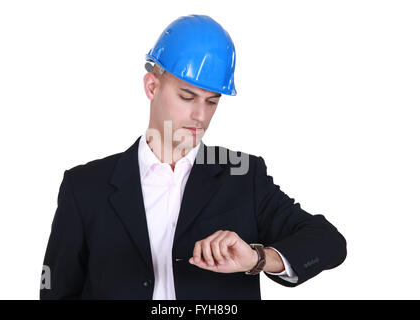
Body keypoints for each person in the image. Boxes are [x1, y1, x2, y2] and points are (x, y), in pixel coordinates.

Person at [40, 14, 346, 300]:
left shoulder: (243, 176)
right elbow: (57, 292)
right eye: (187, 97)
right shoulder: (84, 187)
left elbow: (329, 242)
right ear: (152, 86)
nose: (200, 115)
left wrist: (258, 258)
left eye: (211, 102)